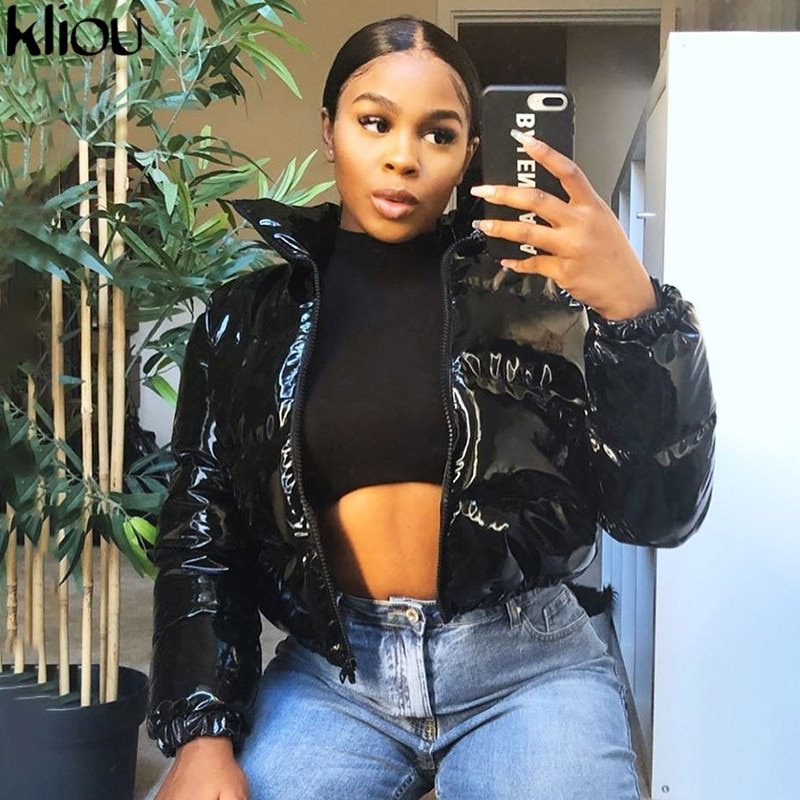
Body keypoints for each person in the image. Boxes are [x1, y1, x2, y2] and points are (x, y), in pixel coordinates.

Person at [147, 14, 716, 800]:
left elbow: (659, 514)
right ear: (329, 129)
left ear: (469, 151)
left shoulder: (540, 296)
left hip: (528, 665)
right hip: (334, 676)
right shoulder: (246, 317)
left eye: (438, 134)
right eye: (374, 122)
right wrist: (202, 734)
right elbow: (201, 531)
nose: (402, 157)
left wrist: (637, 313)